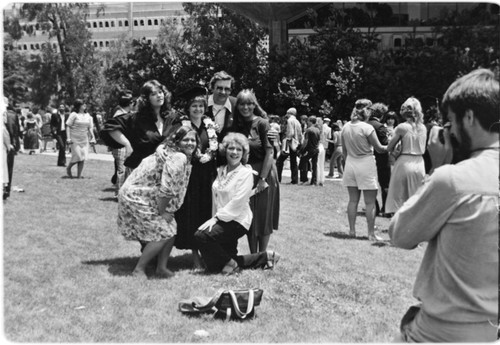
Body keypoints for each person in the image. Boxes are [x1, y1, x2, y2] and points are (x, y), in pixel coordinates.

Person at [390, 68, 499, 342]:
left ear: (470, 117)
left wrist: (437, 168)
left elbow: (401, 234)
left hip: (440, 333)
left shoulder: (453, 179)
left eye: (450, 122)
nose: (447, 131)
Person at [118, 126, 198, 279]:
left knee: (171, 228)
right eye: (185, 140)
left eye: (193, 140)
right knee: (163, 232)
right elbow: (167, 188)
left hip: (145, 195)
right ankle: (139, 269)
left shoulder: (176, 153)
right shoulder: (178, 157)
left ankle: (161, 268)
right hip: (137, 196)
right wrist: (162, 211)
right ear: (177, 142)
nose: (190, 143)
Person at [195, 133, 281, 274]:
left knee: (201, 236)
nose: (234, 152)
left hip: (237, 220)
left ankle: (231, 264)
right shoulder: (221, 170)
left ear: (244, 153)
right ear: (225, 150)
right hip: (222, 218)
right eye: (231, 148)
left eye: (239, 150)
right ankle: (264, 257)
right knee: (216, 267)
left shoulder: (246, 173)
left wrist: (215, 219)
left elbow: (237, 202)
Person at [162, 86, 217, 269]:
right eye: (194, 106)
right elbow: (172, 146)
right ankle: (194, 257)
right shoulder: (181, 126)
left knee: (205, 214)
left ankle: (206, 252)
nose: (198, 110)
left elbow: (215, 146)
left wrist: (212, 154)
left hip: (207, 177)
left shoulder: (210, 125)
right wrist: (195, 156)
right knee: (190, 215)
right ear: (188, 107)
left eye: (201, 106)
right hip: (189, 177)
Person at [231, 89, 280, 253]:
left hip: (264, 173)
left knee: (263, 215)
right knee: (249, 215)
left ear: (254, 105)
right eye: (242, 104)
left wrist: (262, 179)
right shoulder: (237, 125)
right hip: (246, 174)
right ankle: (253, 254)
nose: (245, 107)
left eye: (249, 103)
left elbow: (270, 152)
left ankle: (262, 254)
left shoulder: (262, 123)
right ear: (237, 106)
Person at [100, 80, 173, 183]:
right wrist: (126, 143)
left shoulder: (170, 118)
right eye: (153, 94)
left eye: (160, 92)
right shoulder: (136, 119)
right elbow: (109, 127)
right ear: (146, 99)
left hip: (164, 172)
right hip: (139, 171)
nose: (159, 96)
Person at [341, 99, 387, 241]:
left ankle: (352, 231)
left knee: (353, 201)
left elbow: (344, 152)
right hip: (365, 163)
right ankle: (370, 233)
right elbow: (380, 148)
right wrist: (393, 144)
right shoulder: (367, 128)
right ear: (367, 112)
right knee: (369, 202)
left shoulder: (346, 127)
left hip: (350, 164)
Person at [385, 97, 427, 215]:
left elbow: (389, 147)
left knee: (399, 196)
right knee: (416, 196)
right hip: (419, 162)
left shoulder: (402, 127)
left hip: (405, 161)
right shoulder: (423, 127)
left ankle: (399, 225)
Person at [367, 102, 390, 215]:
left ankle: (374, 207)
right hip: (381, 158)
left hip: (368, 157)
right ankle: (385, 208)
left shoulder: (365, 124)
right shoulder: (379, 126)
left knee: (370, 184)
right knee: (385, 184)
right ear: (381, 114)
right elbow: (384, 144)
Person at [110, 90, 134, 195]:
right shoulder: (119, 115)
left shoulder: (126, 113)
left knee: (126, 169)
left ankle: (124, 192)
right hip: (120, 146)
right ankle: (119, 193)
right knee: (121, 170)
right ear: (130, 104)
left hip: (125, 146)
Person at [65, 99, 96, 179]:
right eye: (83, 104)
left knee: (83, 158)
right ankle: (69, 167)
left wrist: (93, 137)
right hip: (74, 138)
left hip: (84, 139)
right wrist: (68, 138)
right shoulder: (74, 114)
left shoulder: (88, 115)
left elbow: (90, 128)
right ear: (79, 106)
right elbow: (68, 126)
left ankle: (79, 176)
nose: (85, 106)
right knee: (78, 156)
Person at [206, 71, 237, 141]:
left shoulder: (237, 104)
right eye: (219, 88)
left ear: (231, 91)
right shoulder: (201, 103)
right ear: (212, 88)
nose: (223, 92)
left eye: (227, 89)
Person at [276, 107, 302, 184]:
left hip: (290, 143)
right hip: (296, 143)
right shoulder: (297, 121)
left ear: (290, 113)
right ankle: (294, 180)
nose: (286, 115)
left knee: (279, 161)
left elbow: (290, 133)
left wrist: (286, 141)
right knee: (294, 162)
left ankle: (278, 178)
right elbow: (300, 134)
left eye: (287, 113)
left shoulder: (290, 120)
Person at [3, 98, 20, 200]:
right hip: (8, 145)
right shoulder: (12, 115)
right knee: (8, 168)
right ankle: (6, 191)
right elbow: (16, 132)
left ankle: (5, 190)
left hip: (7, 145)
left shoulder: (10, 115)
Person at [299, 116, 320, 185]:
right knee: (314, 165)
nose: (307, 122)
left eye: (308, 121)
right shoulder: (318, 130)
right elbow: (319, 140)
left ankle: (304, 179)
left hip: (309, 149)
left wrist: (302, 150)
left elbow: (306, 141)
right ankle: (314, 181)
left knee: (303, 162)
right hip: (316, 149)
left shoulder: (308, 130)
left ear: (311, 121)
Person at [316, 117, 327, 186]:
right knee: (321, 164)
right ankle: (321, 180)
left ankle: (317, 179)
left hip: (318, 146)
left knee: (316, 164)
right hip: (322, 146)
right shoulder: (323, 129)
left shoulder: (316, 129)